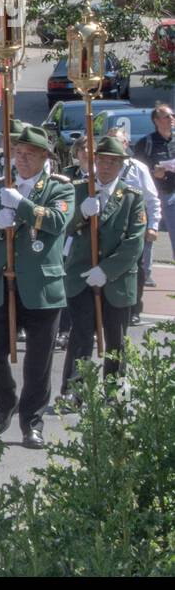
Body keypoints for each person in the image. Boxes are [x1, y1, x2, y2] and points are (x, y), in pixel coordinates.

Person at [0, 125, 73, 450]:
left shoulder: (60, 188)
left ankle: (32, 423)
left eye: (30, 154)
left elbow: (57, 223)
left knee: (38, 361)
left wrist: (23, 206)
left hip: (42, 286)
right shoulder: (0, 187)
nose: (22, 159)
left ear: (45, 157)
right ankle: (5, 403)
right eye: (18, 153)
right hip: (2, 284)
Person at [59, 135, 145, 409]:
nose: (106, 166)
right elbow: (63, 228)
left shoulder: (133, 198)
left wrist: (106, 271)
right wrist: (81, 214)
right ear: (94, 161)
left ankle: (116, 392)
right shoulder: (79, 191)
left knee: (116, 339)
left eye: (113, 162)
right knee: (81, 336)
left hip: (116, 279)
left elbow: (134, 244)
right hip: (82, 275)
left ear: (121, 165)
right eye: (102, 160)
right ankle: (74, 390)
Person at [107, 127, 161, 327]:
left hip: (134, 227)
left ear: (126, 144)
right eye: (109, 140)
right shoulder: (100, 167)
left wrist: (153, 226)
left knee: (137, 269)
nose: (113, 146)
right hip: (109, 229)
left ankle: (134, 308)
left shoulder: (138, 168)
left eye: (118, 141)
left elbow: (152, 199)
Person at [133, 103, 175, 275]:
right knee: (149, 233)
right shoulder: (146, 143)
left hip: (173, 193)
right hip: (154, 195)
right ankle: (145, 273)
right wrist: (153, 172)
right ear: (156, 121)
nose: (172, 119)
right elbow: (136, 169)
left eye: (172, 116)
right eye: (167, 116)